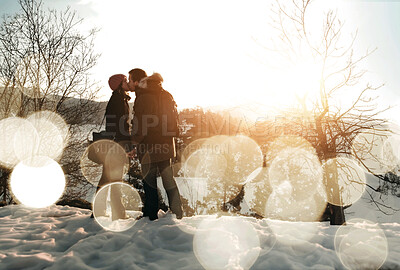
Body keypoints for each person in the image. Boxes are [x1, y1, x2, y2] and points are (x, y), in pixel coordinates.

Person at [132, 72, 183, 220]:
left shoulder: (144, 98)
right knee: (169, 180)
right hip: (166, 145)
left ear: (148, 83)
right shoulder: (167, 95)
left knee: (149, 181)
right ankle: (177, 211)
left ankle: (151, 213)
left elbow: (140, 123)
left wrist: (134, 142)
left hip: (149, 146)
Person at [91, 74, 132, 220]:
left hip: (112, 144)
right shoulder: (118, 100)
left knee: (106, 178)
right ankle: (118, 214)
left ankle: (99, 211)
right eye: (125, 81)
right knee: (115, 179)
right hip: (116, 145)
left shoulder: (117, 99)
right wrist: (128, 143)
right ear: (120, 84)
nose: (127, 83)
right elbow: (121, 126)